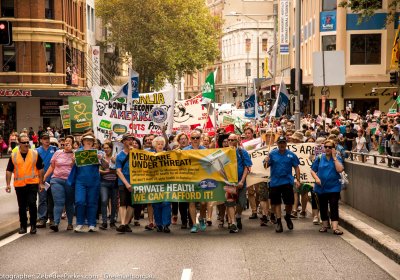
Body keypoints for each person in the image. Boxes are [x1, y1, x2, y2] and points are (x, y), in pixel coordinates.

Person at [5, 133, 45, 234]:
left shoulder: (34, 154)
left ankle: (33, 226)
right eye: (24, 142)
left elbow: (40, 169)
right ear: (19, 143)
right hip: (19, 184)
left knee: (32, 204)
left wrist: (41, 183)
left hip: (32, 183)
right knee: (22, 206)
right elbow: (9, 170)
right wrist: (8, 184)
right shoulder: (14, 155)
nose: (27, 144)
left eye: (28, 142)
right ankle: (23, 226)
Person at [263, 136, 301, 233]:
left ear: (286, 144)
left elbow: (296, 167)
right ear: (277, 144)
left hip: (287, 181)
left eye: (283, 143)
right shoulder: (272, 154)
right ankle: (279, 221)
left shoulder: (291, 155)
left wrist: (298, 179)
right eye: (280, 143)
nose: (282, 145)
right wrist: (266, 160)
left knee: (289, 202)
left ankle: (287, 217)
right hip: (275, 182)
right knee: (276, 202)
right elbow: (265, 167)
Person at [69, 132, 103, 232]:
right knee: (80, 201)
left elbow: (105, 166)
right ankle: (80, 222)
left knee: (92, 202)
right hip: (81, 181)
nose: (88, 142)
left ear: (93, 143)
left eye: (90, 140)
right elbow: (71, 167)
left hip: (94, 181)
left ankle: (91, 223)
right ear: (83, 141)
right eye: (86, 140)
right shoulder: (77, 152)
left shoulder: (98, 153)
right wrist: (73, 161)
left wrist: (101, 159)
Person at [310, 139, 345, 235]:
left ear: (334, 148)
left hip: (334, 187)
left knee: (334, 206)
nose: (328, 149)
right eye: (326, 147)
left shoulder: (337, 158)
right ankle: (325, 225)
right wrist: (316, 178)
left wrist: (334, 158)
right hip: (321, 187)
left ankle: (335, 227)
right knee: (323, 206)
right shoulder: (319, 157)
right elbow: (313, 170)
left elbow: (340, 169)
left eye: (330, 147)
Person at [43, 135, 75, 232]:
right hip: (56, 180)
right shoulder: (57, 153)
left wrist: (74, 157)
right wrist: (44, 177)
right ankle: (56, 223)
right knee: (58, 202)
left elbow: (77, 167)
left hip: (70, 181)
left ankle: (70, 223)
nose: (67, 143)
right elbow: (52, 167)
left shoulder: (76, 154)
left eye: (70, 141)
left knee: (69, 203)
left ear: (73, 144)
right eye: (66, 141)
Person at [226, 133, 252, 233]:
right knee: (230, 202)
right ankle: (232, 222)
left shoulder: (242, 152)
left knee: (241, 203)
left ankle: (238, 216)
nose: (231, 142)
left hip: (241, 182)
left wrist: (242, 181)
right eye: (229, 140)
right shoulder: (224, 152)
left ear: (237, 141)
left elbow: (247, 167)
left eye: (233, 140)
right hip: (229, 183)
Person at [115, 134, 141, 233]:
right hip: (123, 181)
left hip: (135, 181)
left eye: (132, 140)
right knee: (123, 202)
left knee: (131, 204)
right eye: (128, 139)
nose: (130, 141)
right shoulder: (119, 156)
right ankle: (122, 223)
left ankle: (126, 224)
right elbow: (118, 171)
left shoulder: (136, 153)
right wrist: (127, 184)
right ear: (123, 142)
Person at [36, 132, 58, 229]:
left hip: (53, 179)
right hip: (41, 180)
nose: (47, 141)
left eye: (48, 138)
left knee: (52, 199)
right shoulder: (36, 151)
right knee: (42, 199)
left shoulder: (54, 149)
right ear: (40, 140)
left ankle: (52, 218)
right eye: (44, 139)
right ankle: (42, 218)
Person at [151, 136, 172, 233]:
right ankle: (158, 224)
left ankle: (166, 224)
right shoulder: (150, 155)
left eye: (161, 144)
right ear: (154, 145)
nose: (160, 145)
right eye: (158, 144)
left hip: (166, 183)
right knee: (156, 204)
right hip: (154, 183)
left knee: (166, 203)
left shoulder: (168, 155)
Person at [99, 141, 118, 230]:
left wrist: (114, 166)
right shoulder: (101, 157)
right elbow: (99, 170)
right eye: (104, 148)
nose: (106, 149)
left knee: (114, 203)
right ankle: (104, 222)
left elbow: (118, 170)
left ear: (111, 148)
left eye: (108, 148)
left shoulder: (115, 157)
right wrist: (107, 171)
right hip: (104, 182)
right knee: (104, 201)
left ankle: (112, 221)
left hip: (114, 183)